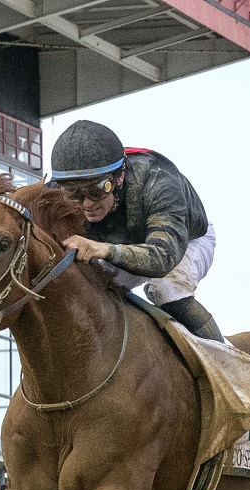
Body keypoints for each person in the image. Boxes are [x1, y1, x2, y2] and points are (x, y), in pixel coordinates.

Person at [48, 120, 222, 341]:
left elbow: (162, 257)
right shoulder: (56, 192)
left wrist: (106, 250)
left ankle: (226, 361)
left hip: (182, 241)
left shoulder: (157, 181)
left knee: (166, 290)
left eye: (97, 189)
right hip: (113, 243)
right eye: (73, 193)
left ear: (119, 177)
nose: (87, 203)